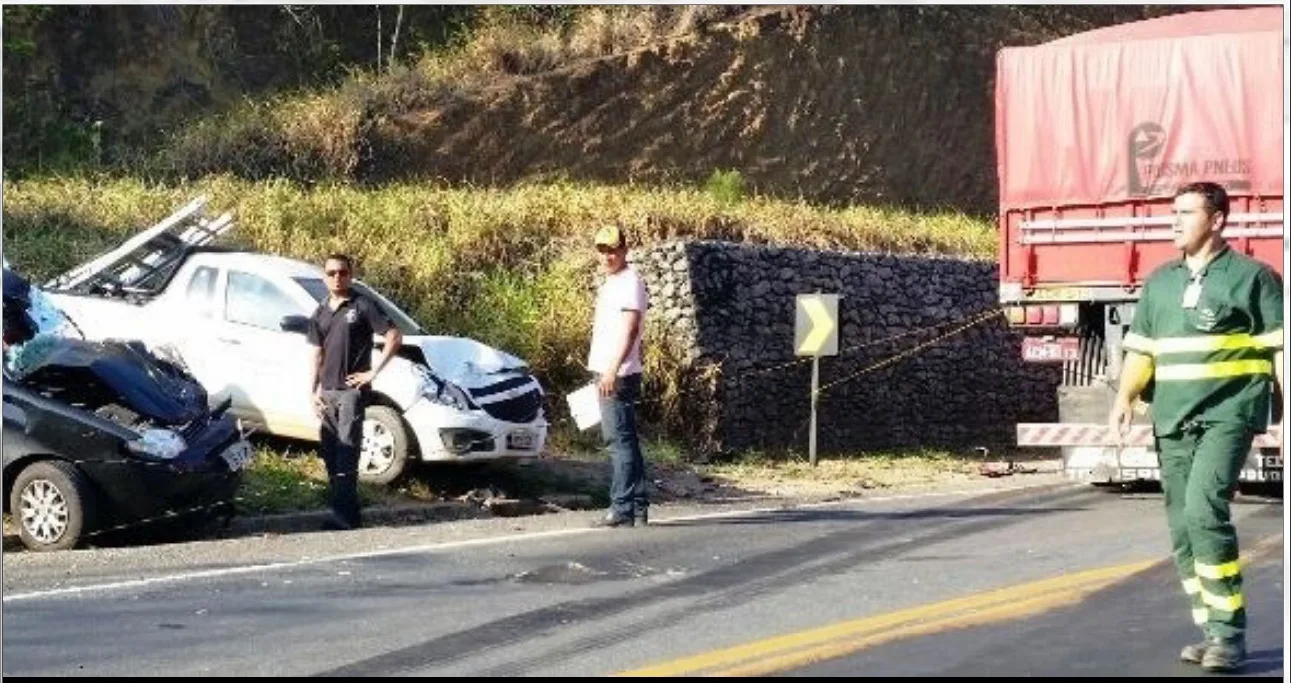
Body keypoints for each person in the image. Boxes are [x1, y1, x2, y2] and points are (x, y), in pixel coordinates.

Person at [1109, 181, 1283, 672]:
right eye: (1174, 212)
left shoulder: (1254, 279)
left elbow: (1280, 350)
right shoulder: (1160, 283)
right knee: (1183, 527)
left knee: (1206, 511)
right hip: (1173, 418)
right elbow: (1142, 350)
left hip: (1229, 415)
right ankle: (1210, 629)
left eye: (1186, 212)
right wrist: (1123, 397)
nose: (1175, 221)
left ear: (1218, 220)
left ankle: (1230, 635)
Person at [307, 254, 402, 530]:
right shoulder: (320, 311)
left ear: (351, 275)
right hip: (326, 392)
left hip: (351, 393)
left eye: (343, 272)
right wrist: (312, 391)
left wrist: (373, 372)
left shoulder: (362, 305)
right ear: (324, 276)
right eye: (332, 273)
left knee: (347, 452)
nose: (337, 277)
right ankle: (348, 512)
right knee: (329, 451)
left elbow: (394, 336)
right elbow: (315, 354)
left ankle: (342, 517)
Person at [587, 224, 650, 528]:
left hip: (618, 373)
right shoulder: (614, 283)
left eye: (613, 249)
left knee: (618, 442)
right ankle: (637, 505)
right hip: (612, 370)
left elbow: (631, 330)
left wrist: (611, 370)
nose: (608, 255)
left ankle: (622, 507)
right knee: (628, 441)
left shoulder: (629, 283)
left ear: (624, 249)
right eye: (602, 250)